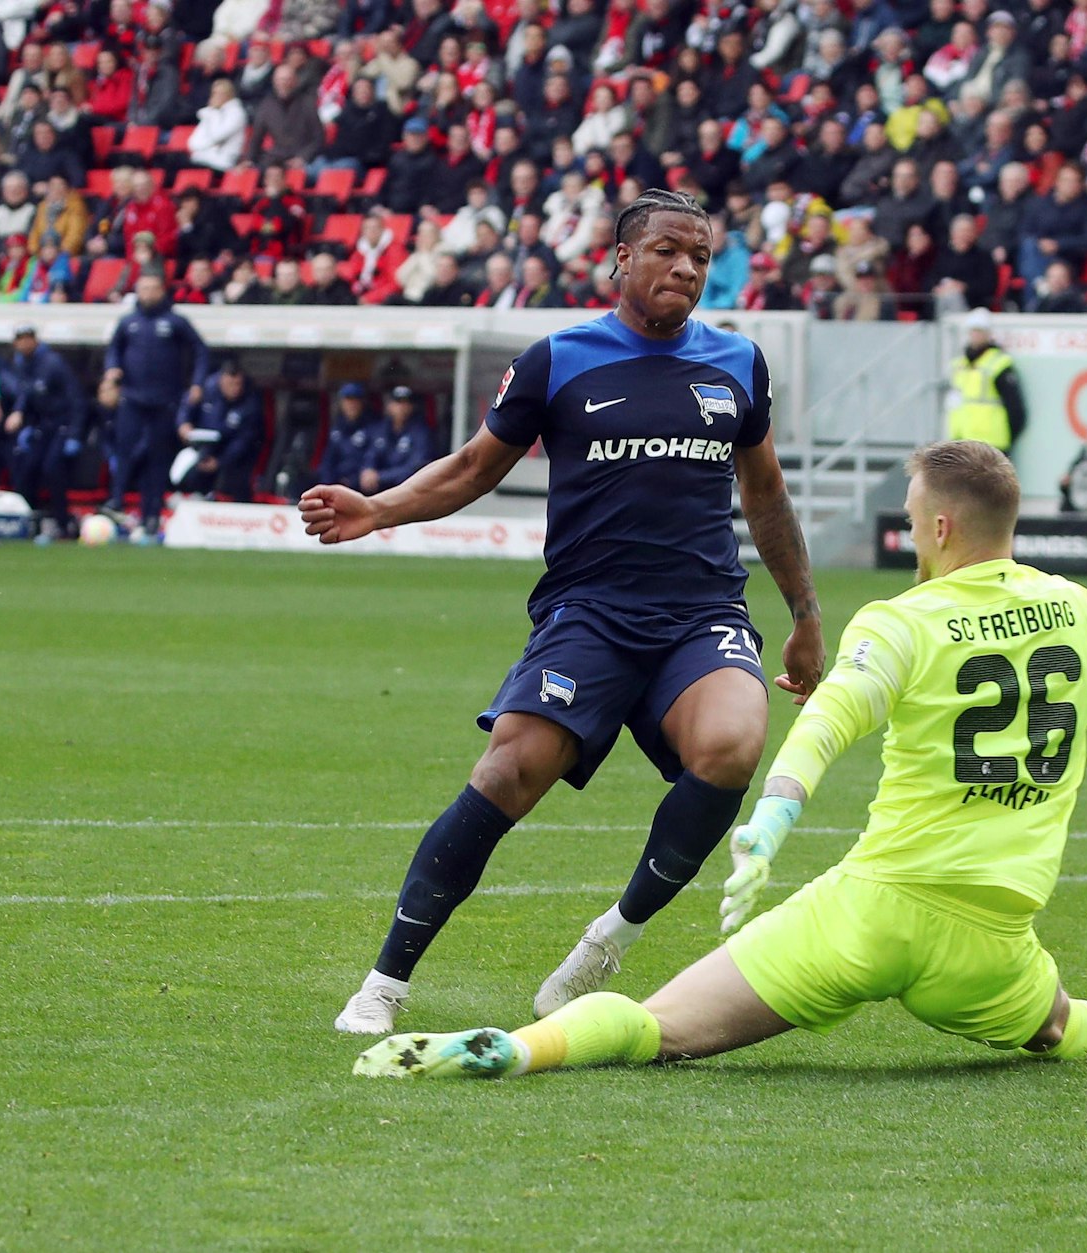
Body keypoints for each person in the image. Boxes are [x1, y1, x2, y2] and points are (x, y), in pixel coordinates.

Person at [353, 439, 1087, 1081]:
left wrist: (773, 815)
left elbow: (826, 720)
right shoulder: (1082, 612)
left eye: (913, 518)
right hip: (990, 949)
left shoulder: (902, 620)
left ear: (941, 527)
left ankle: (514, 1049)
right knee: (1074, 1026)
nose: (912, 532)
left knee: (657, 1029)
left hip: (866, 919)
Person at [302, 190, 825, 1035]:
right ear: (621, 259)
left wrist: (804, 612)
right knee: (509, 770)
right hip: (590, 612)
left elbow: (765, 495)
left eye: (699, 254)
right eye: (665, 249)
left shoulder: (739, 363)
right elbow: (475, 466)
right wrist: (380, 507)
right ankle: (384, 982)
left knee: (733, 744)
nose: (685, 267)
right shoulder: (559, 359)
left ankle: (608, 939)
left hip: (701, 614)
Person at [102, 272, 210, 540]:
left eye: (153, 288)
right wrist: (112, 369)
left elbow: (201, 350)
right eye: (143, 288)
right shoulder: (128, 322)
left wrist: (196, 383)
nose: (148, 294)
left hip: (165, 401)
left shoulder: (175, 321)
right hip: (133, 399)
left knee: (157, 458)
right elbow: (113, 349)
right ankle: (117, 501)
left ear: (162, 290)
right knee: (125, 450)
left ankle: (151, 513)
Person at [0, 325, 85, 539]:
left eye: (28, 339)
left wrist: (74, 433)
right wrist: (22, 416)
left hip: (61, 425)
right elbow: (25, 396)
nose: (24, 343)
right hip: (40, 427)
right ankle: (29, 521)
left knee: (52, 468)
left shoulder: (52, 363)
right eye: (20, 339)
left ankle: (62, 523)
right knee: (26, 468)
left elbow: (75, 398)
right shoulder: (21, 364)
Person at [174, 360, 266, 500]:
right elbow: (186, 409)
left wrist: (220, 462)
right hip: (203, 447)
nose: (236, 389)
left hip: (232, 453)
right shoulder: (206, 389)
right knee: (187, 472)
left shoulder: (249, 402)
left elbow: (244, 440)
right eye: (231, 384)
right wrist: (183, 424)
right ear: (221, 380)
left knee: (236, 477)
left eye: (238, 384)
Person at [947, 307, 1027, 453]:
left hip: (992, 443)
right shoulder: (960, 364)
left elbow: (1016, 410)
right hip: (963, 442)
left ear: (989, 334)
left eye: (980, 331)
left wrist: (1007, 439)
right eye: (973, 331)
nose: (975, 335)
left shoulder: (998, 364)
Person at [359, 386, 436, 493]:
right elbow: (371, 455)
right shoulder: (381, 429)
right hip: (379, 490)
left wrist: (381, 477)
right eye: (398, 402)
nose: (401, 407)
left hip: (407, 490)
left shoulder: (421, 432)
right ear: (389, 406)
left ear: (411, 407)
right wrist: (368, 470)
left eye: (406, 403)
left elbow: (416, 466)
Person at [318, 382, 380, 490]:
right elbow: (328, 461)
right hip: (337, 484)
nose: (352, 404)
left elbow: (372, 459)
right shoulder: (336, 429)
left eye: (356, 400)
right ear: (341, 402)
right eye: (348, 399)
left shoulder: (373, 427)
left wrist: (353, 481)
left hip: (360, 486)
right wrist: (327, 485)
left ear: (362, 402)